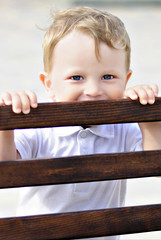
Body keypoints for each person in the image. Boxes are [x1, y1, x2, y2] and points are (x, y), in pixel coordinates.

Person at [0, 7, 160, 240]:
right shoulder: (38, 128)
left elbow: (156, 170)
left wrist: (149, 118)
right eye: (76, 77)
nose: (94, 91)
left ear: (126, 80)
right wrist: (7, 123)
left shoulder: (124, 128)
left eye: (108, 77)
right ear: (49, 84)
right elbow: (5, 168)